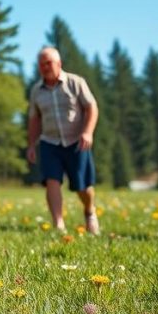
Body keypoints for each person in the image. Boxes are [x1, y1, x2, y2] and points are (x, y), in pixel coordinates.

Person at [26, 46, 100, 234]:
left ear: (59, 63)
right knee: (52, 180)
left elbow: (92, 108)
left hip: (76, 141)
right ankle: (58, 224)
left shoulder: (75, 83)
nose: (45, 67)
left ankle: (90, 211)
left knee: (82, 186)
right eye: (41, 64)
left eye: (48, 63)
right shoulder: (36, 90)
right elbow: (35, 119)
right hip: (50, 142)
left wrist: (88, 132)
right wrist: (31, 145)